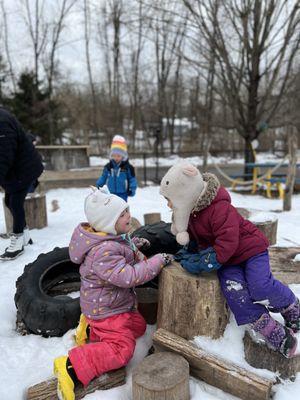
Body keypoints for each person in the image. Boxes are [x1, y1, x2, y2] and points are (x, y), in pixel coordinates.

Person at [159, 160, 300, 358]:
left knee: (259, 286)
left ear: (186, 193)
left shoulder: (220, 208)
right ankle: (271, 330)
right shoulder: (190, 214)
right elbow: (195, 242)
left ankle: (291, 305)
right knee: (235, 294)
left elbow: (227, 241)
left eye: (171, 199)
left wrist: (205, 262)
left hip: (250, 250)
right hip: (227, 261)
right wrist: (187, 255)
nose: (169, 204)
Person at [53, 187, 172, 400]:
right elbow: (128, 276)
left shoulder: (112, 239)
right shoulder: (103, 251)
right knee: (122, 350)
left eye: (127, 210)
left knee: (138, 326)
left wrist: (134, 245)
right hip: (107, 311)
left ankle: (91, 331)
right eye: (122, 214)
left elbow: (121, 249)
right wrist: (157, 261)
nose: (129, 215)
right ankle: (71, 366)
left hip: (114, 305)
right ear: (109, 222)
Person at [0, 107, 44, 260]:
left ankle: (18, 242)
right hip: (16, 169)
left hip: (25, 169)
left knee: (15, 202)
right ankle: (24, 235)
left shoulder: (2, 123)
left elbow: (4, 155)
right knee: (9, 201)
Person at [96, 135, 137, 201]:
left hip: (123, 193)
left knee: (122, 209)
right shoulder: (108, 167)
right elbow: (103, 177)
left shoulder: (128, 167)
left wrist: (132, 188)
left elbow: (132, 179)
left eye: (118, 156)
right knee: (111, 209)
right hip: (110, 193)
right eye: (114, 155)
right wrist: (99, 185)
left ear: (123, 156)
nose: (116, 158)